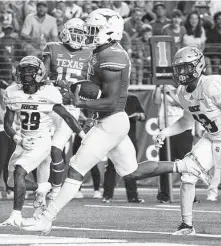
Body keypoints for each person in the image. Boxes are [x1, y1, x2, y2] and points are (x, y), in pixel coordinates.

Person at [21, 9, 199, 234]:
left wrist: (81, 103)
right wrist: (76, 91)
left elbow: (110, 101)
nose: (88, 33)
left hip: (111, 121)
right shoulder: (102, 51)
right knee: (132, 172)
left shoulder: (112, 56)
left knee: (75, 169)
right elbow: (97, 90)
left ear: (110, 31)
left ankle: (46, 218)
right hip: (110, 121)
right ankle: (183, 165)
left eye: (93, 29)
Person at [155, 46, 221, 235]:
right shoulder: (181, 92)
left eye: (185, 67)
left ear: (198, 66)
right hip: (210, 140)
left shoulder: (212, 85)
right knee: (187, 175)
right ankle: (186, 225)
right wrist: (165, 132)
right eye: (178, 68)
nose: (181, 72)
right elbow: (186, 120)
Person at [0, 56, 85, 226]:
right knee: (10, 182)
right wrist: (18, 138)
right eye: (24, 71)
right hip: (23, 140)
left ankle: (16, 215)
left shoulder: (49, 92)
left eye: (31, 71)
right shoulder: (12, 92)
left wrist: (83, 136)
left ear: (39, 73)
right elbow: (8, 124)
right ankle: (42, 187)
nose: (26, 75)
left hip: (41, 140)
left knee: (19, 171)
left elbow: (67, 117)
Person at [43, 18, 91, 200]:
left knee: (56, 149)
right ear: (65, 32)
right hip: (48, 105)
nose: (78, 37)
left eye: (81, 34)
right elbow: (43, 74)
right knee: (41, 150)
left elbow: (92, 84)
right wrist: (55, 82)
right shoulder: (53, 47)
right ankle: (39, 185)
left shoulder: (89, 52)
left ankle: (55, 190)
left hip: (71, 106)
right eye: (75, 33)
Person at [102, 93, 146, 203]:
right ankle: (107, 195)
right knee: (111, 166)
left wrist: (139, 116)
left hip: (129, 137)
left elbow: (143, 116)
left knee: (130, 166)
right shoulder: (110, 98)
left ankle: (132, 196)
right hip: (114, 135)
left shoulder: (132, 98)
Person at [153, 85, 193, 203]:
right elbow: (156, 102)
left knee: (186, 163)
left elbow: (184, 105)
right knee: (164, 163)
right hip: (166, 129)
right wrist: (159, 88)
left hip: (183, 129)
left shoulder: (185, 89)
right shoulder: (161, 88)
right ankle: (165, 194)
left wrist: (171, 94)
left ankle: (190, 194)